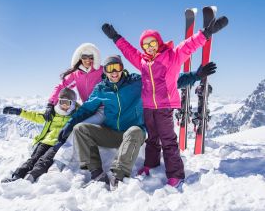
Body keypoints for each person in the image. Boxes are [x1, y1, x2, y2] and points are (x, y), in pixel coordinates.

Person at [101, 15, 228, 187]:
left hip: (165, 107)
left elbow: (189, 45)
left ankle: (176, 173)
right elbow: (128, 50)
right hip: (148, 107)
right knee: (152, 139)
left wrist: (206, 33)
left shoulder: (172, 56)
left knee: (168, 141)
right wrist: (115, 37)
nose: (149, 47)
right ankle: (151, 164)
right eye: (145, 45)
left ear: (158, 42)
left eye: (152, 43)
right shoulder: (142, 61)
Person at [57, 55, 145, 190]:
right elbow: (86, 108)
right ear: (105, 71)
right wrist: (70, 124)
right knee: (80, 128)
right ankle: (97, 174)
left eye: (117, 67)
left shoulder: (135, 81)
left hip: (132, 134)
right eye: (110, 69)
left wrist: (187, 78)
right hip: (111, 133)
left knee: (136, 130)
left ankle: (118, 176)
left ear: (122, 68)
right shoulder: (101, 88)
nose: (114, 72)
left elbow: (161, 80)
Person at [45, 43, 106, 172]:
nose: (88, 60)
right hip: (88, 109)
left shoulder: (101, 70)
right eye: (85, 57)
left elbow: (115, 77)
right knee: (70, 127)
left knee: (77, 129)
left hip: (102, 109)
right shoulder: (76, 75)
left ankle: (60, 162)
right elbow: (61, 86)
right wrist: (51, 103)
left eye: (91, 57)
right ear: (79, 58)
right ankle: (57, 155)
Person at [1, 88, 77, 183]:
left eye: (68, 103)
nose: (64, 105)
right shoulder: (53, 113)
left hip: (58, 144)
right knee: (33, 159)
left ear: (72, 103)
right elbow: (35, 116)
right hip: (45, 142)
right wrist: (19, 112)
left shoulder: (75, 115)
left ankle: (30, 178)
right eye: (62, 102)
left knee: (44, 161)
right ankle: (17, 176)